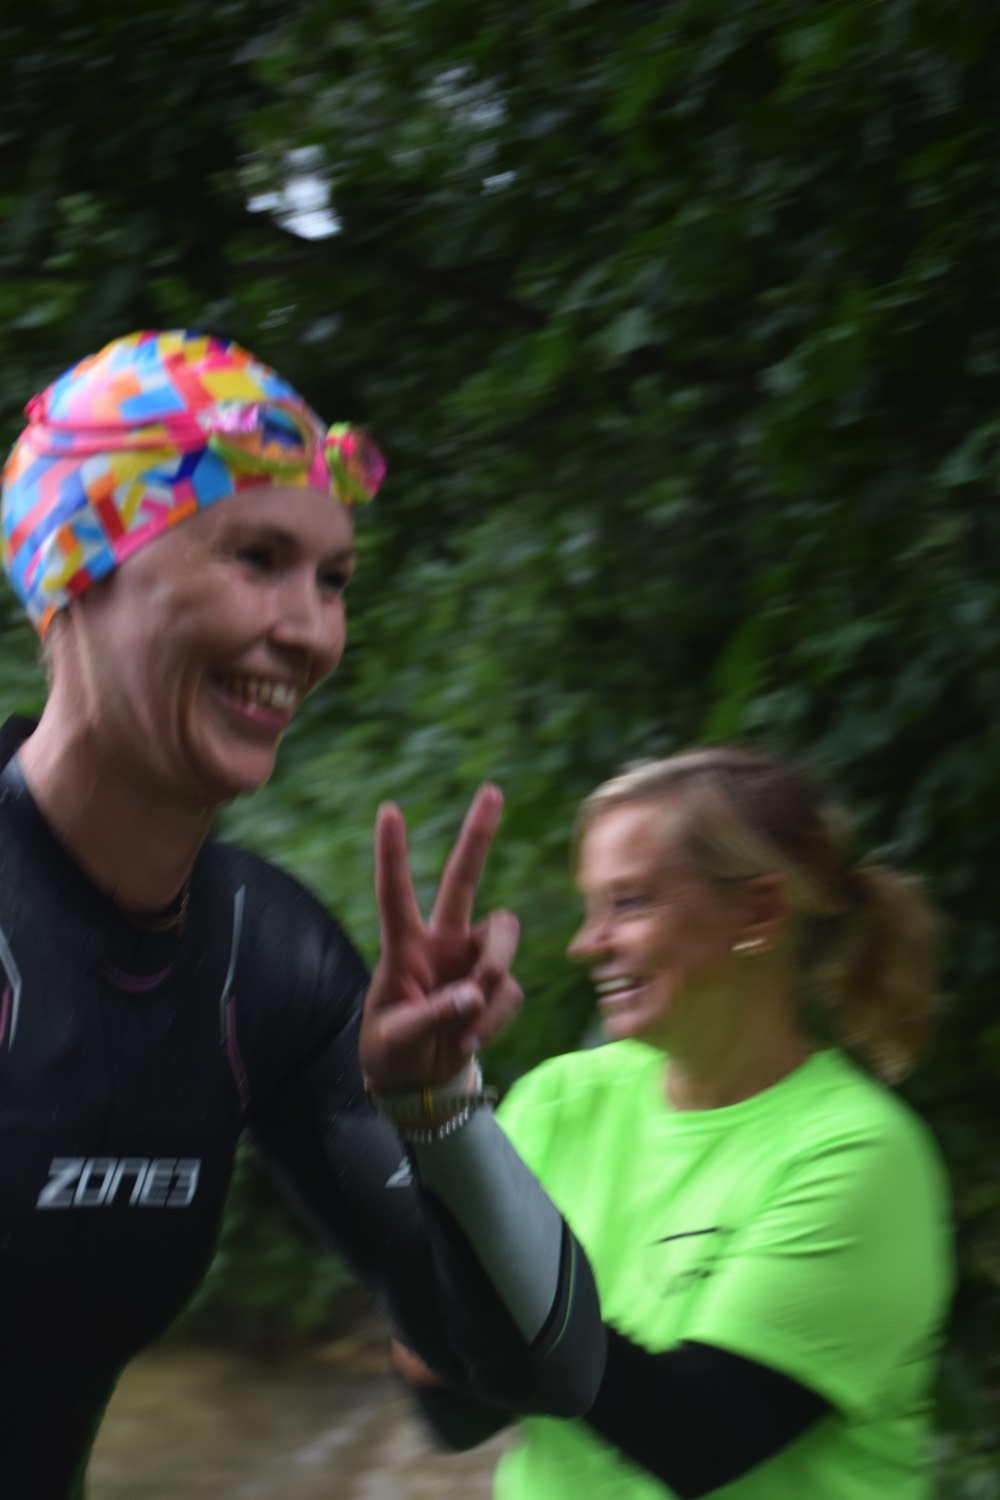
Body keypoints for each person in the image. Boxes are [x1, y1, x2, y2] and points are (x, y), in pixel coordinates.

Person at [0, 330, 605, 1498]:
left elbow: (537, 1374)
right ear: (79, 568)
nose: (311, 630)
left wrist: (440, 1110)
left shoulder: (261, 962)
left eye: (332, 581)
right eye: (257, 559)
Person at [395, 746, 955, 1499]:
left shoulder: (860, 1157)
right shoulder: (561, 1100)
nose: (587, 943)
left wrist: (471, 1268)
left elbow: (695, 1437)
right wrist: (426, 1112)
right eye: (593, 907)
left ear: (758, 912)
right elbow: (455, 1414)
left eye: (629, 903)